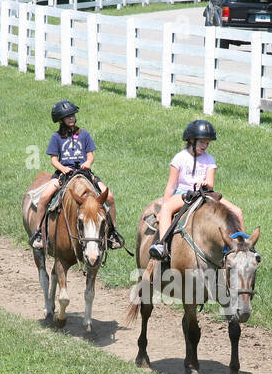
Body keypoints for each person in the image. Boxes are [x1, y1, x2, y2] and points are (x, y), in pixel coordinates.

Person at [28, 101, 123, 250]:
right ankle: (39, 232)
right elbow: (53, 159)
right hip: (63, 174)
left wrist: (88, 163)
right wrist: (63, 168)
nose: (71, 118)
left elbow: (90, 155)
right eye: (67, 117)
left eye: (72, 115)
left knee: (109, 196)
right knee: (45, 197)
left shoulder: (84, 134)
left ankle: (112, 233)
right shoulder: (56, 137)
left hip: (84, 173)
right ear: (61, 120)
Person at [147, 119, 244, 261]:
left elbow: (210, 183)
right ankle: (162, 245)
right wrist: (164, 206)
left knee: (238, 212)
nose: (205, 146)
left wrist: (205, 184)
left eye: (207, 143)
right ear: (191, 140)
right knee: (167, 209)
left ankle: (242, 248)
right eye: (202, 142)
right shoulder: (179, 158)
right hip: (183, 194)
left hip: (206, 194)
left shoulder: (209, 160)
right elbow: (171, 186)